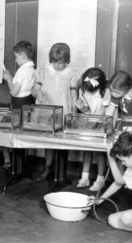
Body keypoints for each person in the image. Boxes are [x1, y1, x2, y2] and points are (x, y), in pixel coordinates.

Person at [31, 42, 80, 181]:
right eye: (54, 62)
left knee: (63, 143)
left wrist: (74, 116)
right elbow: (34, 90)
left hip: (64, 112)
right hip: (47, 112)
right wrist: (38, 92)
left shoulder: (72, 74)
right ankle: (48, 169)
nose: (57, 65)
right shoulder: (43, 71)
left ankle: (61, 174)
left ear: (67, 60)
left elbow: (74, 97)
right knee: (48, 142)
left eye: (61, 63)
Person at [0, 41, 35, 172]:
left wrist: (8, 80)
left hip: (17, 107)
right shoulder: (32, 69)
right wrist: (11, 78)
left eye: (16, 57)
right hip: (27, 106)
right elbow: (22, 88)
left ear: (22, 56)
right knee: (21, 136)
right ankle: (20, 167)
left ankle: (8, 163)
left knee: (3, 132)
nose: (15, 60)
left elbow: (15, 91)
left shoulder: (22, 71)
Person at [75, 67, 111, 191]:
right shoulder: (83, 89)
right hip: (87, 123)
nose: (88, 92)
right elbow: (85, 109)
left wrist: (89, 113)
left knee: (100, 152)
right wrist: (84, 110)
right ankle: (85, 178)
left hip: (101, 123)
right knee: (87, 149)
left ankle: (100, 180)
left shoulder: (106, 91)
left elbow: (107, 112)